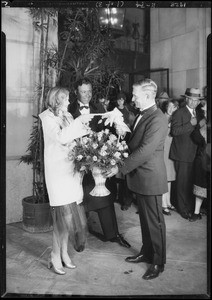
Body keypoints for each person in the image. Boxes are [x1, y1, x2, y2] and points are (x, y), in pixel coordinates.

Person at [105, 78, 168, 280]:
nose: (132, 99)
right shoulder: (144, 114)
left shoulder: (158, 118)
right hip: (140, 177)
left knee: (155, 222)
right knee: (145, 220)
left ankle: (158, 262)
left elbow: (145, 151)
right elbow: (136, 143)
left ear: (148, 96)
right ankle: (147, 252)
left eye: (135, 95)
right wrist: (124, 134)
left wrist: (119, 168)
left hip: (150, 177)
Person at [68, 77, 131, 248]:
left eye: (89, 91)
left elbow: (108, 129)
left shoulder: (99, 108)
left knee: (105, 196)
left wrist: (119, 130)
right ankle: (79, 238)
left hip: (98, 159)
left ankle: (113, 234)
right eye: (83, 92)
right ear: (76, 92)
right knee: (78, 200)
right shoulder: (68, 109)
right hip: (77, 161)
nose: (87, 95)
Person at [39, 87, 95, 275]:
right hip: (57, 173)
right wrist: (78, 122)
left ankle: (64, 253)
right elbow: (61, 137)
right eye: (66, 98)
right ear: (57, 99)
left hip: (71, 172)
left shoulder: (68, 115)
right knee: (60, 219)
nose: (69, 101)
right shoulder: (46, 117)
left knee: (69, 217)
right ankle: (55, 255)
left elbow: (76, 138)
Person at [169, 88, 203, 220]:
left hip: (195, 154)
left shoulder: (199, 113)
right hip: (182, 154)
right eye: (192, 100)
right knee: (182, 183)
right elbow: (175, 131)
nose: (195, 103)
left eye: (197, 101)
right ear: (187, 99)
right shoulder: (179, 113)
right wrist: (191, 124)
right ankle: (182, 209)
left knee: (190, 182)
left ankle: (189, 207)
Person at [189, 99, 208, 221]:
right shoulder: (201, 119)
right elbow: (195, 136)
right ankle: (196, 212)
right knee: (200, 183)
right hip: (203, 156)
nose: (203, 107)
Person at [160, 99, 179, 215]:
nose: (172, 109)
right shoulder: (162, 118)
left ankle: (168, 201)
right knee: (164, 178)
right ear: (166, 107)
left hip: (171, 151)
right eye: (170, 106)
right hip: (163, 151)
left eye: (174, 107)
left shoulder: (174, 119)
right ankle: (163, 204)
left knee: (170, 178)